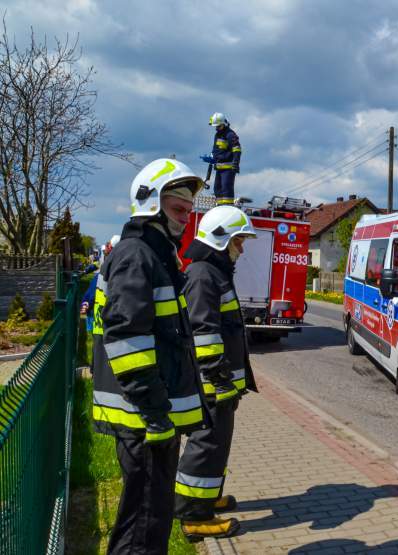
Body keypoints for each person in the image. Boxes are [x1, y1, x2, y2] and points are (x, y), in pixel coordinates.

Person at [91, 158, 208, 555]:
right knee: (142, 526)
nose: (184, 220)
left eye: (188, 212)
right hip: (145, 421)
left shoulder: (153, 257)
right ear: (152, 205)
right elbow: (127, 339)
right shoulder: (137, 256)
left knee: (151, 519)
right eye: (178, 210)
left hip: (150, 417)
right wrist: (156, 412)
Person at [175, 205, 259, 541]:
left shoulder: (215, 273)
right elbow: (203, 331)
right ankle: (194, 516)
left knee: (217, 445)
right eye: (239, 240)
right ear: (221, 240)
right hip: (212, 383)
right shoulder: (202, 276)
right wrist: (218, 375)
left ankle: (208, 498)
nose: (242, 247)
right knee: (206, 445)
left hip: (221, 383)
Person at [201, 112, 241, 206]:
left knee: (226, 188)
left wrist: (236, 163)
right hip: (219, 168)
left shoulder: (230, 134)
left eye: (218, 126)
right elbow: (216, 150)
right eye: (216, 126)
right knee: (217, 189)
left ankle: (227, 207)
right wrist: (211, 158)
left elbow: (237, 149)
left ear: (223, 124)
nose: (216, 128)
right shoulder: (217, 135)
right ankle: (220, 207)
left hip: (228, 168)